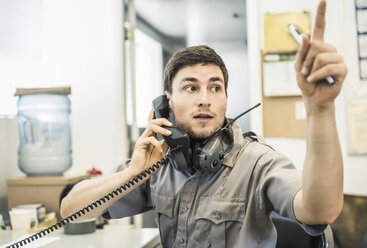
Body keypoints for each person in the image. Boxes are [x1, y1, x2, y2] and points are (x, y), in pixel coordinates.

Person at [60, 0, 347, 246]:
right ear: (166, 102)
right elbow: (70, 211)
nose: (205, 99)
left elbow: (319, 211)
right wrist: (133, 172)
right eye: (191, 87)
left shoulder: (258, 162)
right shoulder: (158, 164)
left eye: (215, 87)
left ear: (225, 97)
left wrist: (320, 109)